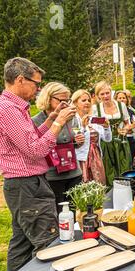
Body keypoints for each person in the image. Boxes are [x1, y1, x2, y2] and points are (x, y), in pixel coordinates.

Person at [0, 57, 76, 271]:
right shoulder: (7, 109)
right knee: (49, 243)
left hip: (24, 186)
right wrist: (59, 122)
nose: (38, 88)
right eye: (36, 83)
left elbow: (32, 137)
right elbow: (35, 149)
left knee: (21, 245)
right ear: (19, 80)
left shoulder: (14, 107)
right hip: (27, 186)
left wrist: (50, 118)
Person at [33, 82, 84, 211]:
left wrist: (77, 142)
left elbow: (70, 140)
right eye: (62, 100)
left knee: (76, 210)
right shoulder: (36, 120)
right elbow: (38, 146)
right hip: (52, 175)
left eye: (68, 100)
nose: (66, 104)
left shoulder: (70, 118)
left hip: (73, 171)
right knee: (58, 213)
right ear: (48, 99)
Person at [92, 81, 132, 188]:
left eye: (107, 93)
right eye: (102, 94)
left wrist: (125, 129)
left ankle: (126, 191)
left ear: (111, 92)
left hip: (121, 141)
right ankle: (112, 195)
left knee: (124, 168)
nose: (105, 96)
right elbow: (94, 127)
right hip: (106, 143)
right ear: (98, 96)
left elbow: (128, 124)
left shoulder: (121, 105)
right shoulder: (96, 109)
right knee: (109, 169)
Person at [72, 89, 112, 184]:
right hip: (81, 158)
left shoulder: (93, 118)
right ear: (75, 103)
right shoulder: (72, 119)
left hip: (96, 156)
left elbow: (107, 139)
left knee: (98, 183)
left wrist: (106, 127)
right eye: (83, 100)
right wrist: (83, 127)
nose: (87, 103)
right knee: (84, 184)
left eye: (89, 100)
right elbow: (77, 139)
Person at [114, 90, 135, 160]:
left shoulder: (131, 111)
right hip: (118, 139)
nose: (122, 99)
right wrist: (128, 128)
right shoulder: (114, 112)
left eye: (124, 98)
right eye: (119, 98)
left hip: (130, 139)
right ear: (115, 99)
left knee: (130, 160)